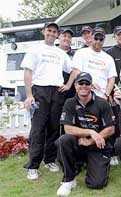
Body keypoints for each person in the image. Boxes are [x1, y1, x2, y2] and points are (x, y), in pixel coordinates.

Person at [21, 22, 73, 180]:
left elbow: (74, 70)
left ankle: (49, 159)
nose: (51, 33)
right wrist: (29, 95)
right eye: (49, 30)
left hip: (57, 92)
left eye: (54, 31)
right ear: (43, 32)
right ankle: (33, 166)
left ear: (57, 35)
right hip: (40, 91)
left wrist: (68, 84)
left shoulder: (61, 53)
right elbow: (28, 72)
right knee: (38, 128)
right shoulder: (34, 49)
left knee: (53, 127)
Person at [56, 72, 115, 196]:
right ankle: (69, 180)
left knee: (96, 184)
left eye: (87, 83)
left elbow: (111, 129)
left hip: (97, 146)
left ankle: (94, 164)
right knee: (63, 140)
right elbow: (67, 128)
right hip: (79, 143)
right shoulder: (70, 103)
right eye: (80, 83)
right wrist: (90, 132)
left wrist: (92, 140)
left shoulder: (102, 103)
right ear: (76, 86)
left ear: (91, 86)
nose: (84, 86)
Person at [106, 26, 121, 166]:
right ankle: (113, 153)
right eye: (118, 35)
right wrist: (109, 93)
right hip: (115, 92)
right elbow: (108, 75)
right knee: (114, 122)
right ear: (114, 37)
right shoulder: (109, 52)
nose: (120, 37)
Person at [69, 27, 117, 100]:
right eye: (96, 38)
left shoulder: (109, 58)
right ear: (91, 37)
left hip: (101, 97)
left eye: (101, 39)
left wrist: (106, 95)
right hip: (84, 96)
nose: (98, 41)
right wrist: (89, 82)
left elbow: (111, 79)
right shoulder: (81, 53)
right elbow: (76, 71)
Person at [58, 28, 76, 100]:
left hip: (73, 92)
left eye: (69, 37)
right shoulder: (54, 52)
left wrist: (68, 85)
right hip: (57, 91)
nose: (67, 38)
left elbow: (76, 71)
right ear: (59, 37)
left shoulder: (76, 54)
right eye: (64, 36)